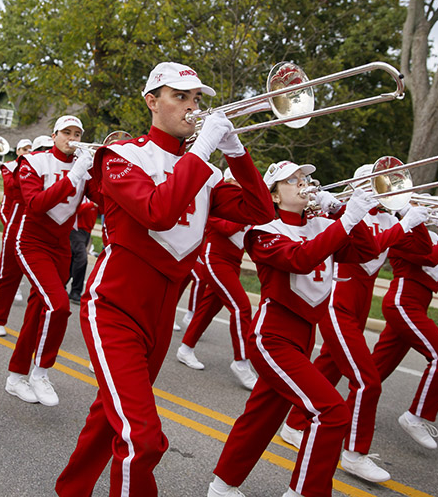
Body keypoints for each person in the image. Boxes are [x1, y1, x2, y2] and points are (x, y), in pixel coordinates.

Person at [56, 62, 275, 497]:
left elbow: (261, 212)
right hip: (115, 307)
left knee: (111, 415)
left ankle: (71, 489)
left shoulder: (206, 172)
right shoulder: (120, 156)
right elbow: (158, 211)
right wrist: (205, 149)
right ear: (152, 102)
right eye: (180, 97)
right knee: (142, 437)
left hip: (159, 318)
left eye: (196, 99)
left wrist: (235, 151)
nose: (192, 107)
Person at [206, 161, 377, 497]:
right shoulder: (262, 230)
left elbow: (367, 252)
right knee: (332, 413)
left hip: (302, 337)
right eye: (292, 180)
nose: (303, 183)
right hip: (272, 337)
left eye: (305, 178)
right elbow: (301, 259)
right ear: (273, 194)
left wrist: (344, 209)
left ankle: (222, 485)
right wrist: (346, 219)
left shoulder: (321, 223)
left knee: (262, 415)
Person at [278, 166, 432, 483]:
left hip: (361, 304)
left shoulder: (389, 217)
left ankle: (293, 423)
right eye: (377, 182)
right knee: (367, 381)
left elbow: (426, 253)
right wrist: (394, 220)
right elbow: (367, 251)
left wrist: (410, 215)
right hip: (338, 300)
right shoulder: (336, 209)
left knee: (330, 365)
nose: (383, 189)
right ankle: (354, 453)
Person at [5, 116, 96, 407]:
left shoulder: (84, 167)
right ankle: (40, 372)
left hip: (61, 247)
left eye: (77, 133)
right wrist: (73, 176)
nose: (72, 138)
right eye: (66, 132)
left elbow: (107, 197)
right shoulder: (34, 161)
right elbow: (35, 205)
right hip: (31, 242)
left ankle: (15, 377)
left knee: (37, 311)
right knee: (58, 306)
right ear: (54, 134)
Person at [371, 210, 438, 449]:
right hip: (403, 301)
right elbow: (431, 257)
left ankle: (351, 409)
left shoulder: (431, 235)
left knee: (377, 368)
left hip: (416, 304)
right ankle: (415, 416)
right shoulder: (401, 233)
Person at [175, 168, 260, 390]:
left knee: (208, 309)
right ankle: (241, 362)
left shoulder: (244, 204)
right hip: (215, 259)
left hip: (233, 263)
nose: (240, 186)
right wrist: (250, 213)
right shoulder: (218, 199)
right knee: (242, 308)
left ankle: (185, 348)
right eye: (236, 181)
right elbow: (225, 226)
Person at [0, 138, 33, 336]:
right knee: (9, 271)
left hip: (42, 227)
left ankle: (36, 327)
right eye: (25, 149)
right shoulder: (10, 166)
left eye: (31, 149)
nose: (28, 152)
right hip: (15, 220)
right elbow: (14, 187)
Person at [67, 197, 99, 303]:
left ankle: (62, 285)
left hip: (86, 232)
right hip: (76, 230)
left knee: (72, 260)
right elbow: (75, 210)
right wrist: (91, 204)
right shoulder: (82, 195)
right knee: (81, 259)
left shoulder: (95, 196)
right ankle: (76, 291)